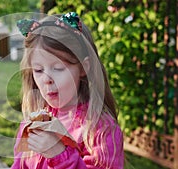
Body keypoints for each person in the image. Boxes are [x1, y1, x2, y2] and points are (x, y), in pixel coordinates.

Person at [11, 12, 124, 169]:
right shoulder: (31, 125)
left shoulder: (101, 130)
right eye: (38, 70)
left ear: (84, 67)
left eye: (58, 68)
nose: (47, 79)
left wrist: (59, 154)